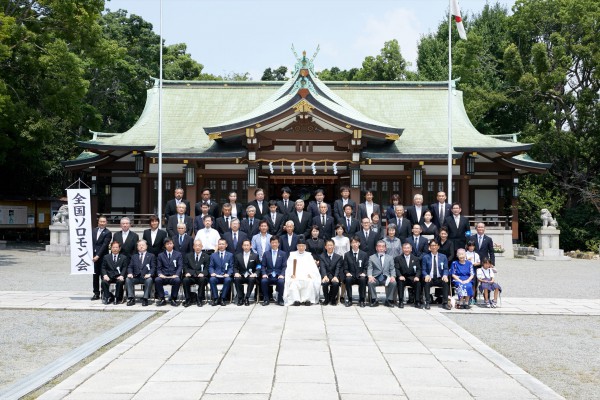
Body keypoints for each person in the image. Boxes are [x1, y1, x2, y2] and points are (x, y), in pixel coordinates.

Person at [284, 236, 321, 306]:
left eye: (302, 246)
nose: (301, 248)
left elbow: (313, 267)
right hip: (295, 275)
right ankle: (296, 299)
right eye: (299, 246)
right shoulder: (292, 255)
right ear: (297, 247)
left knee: (309, 281)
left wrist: (311, 274)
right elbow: (289, 266)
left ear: (305, 247)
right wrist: (292, 274)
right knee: (294, 282)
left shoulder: (308, 255)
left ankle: (307, 299)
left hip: (306, 275)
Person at [421, 239, 451, 310]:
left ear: (438, 247)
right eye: (432, 245)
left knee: (445, 282)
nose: (433, 247)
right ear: (429, 247)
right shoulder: (426, 257)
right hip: (430, 278)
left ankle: (445, 303)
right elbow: (423, 270)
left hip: (440, 277)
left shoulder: (443, 257)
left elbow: (446, 268)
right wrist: (426, 275)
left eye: (435, 245)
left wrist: (445, 275)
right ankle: (427, 302)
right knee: (426, 282)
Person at [367, 240, 397, 307]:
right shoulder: (372, 257)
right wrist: (370, 276)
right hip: (376, 278)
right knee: (370, 282)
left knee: (393, 283)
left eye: (383, 246)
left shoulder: (390, 258)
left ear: (385, 248)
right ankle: (374, 300)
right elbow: (370, 268)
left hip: (386, 278)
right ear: (376, 248)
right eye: (379, 246)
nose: (381, 248)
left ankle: (389, 300)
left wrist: (393, 276)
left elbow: (392, 269)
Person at [126, 239, 155, 306]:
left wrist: (149, 274)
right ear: (137, 247)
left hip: (145, 277)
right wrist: (130, 273)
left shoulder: (151, 256)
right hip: (136, 276)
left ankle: (145, 299)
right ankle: (131, 298)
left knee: (149, 280)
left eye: (143, 245)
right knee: (128, 279)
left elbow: (153, 267)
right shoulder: (134, 256)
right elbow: (130, 266)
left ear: (146, 246)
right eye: (139, 245)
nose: (141, 247)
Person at [155, 238, 183, 307]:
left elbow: (180, 266)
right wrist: (160, 274)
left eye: (170, 243)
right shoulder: (160, 255)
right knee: (157, 280)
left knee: (177, 280)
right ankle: (162, 299)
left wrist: (176, 274)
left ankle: (173, 299)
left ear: (173, 244)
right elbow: (158, 267)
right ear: (165, 245)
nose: (169, 245)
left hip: (173, 276)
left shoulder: (178, 254)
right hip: (164, 276)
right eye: (167, 244)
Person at [342, 236, 369, 307]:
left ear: (359, 243)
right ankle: (350, 299)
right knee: (347, 279)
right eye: (353, 243)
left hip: (360, 275)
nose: (354, 244)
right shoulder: (347, 255)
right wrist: (347, 272)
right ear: (350, 244)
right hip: (351, 275)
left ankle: (362, 300)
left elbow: (366, 266)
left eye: (356, 242)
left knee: (363, 279)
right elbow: (345, 267)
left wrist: (364, 273)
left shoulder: (364, 254)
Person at [182, 239, 210, 307]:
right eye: (196, 245)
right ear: (193, 247)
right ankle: (188, 299)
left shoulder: (206, 256)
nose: (197, 247)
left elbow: (207, 268)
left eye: (199, 245)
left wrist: (203, 273)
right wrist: (187, 272)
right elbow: (185, 266)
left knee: (202, 279)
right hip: (191, 276)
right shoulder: (188, 256)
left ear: (202, 247)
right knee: (185, 280)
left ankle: (200, 299)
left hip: (201, 276)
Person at [260, 236, 287, 306]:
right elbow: (263, 266)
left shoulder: (283, 254)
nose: (274, 244)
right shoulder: (266, 253)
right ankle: (266, 299)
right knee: (263, 281)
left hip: (279, 275)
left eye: (276, 243)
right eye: (272, 243)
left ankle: (280, 299)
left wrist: (282, 274)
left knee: (281, 282)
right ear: (270, 243)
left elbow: (284, 266)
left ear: (278, 244)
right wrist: (264, 273)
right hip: (269, 275)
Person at [394, 242, 422, 308]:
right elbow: (396, 269)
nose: (406, 250)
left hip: (412, 277)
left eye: (408, 248)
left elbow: (419, 269)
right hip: (403, 277)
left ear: (411, 249)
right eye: (405, 248)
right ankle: (401, 301)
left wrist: (417, 276)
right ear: (402, 249)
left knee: (418, 283)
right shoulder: (398, 258)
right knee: (400, 282)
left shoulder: (416, 259)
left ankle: (417, 301)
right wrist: (400, 276)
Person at [233, 239, 260, 306]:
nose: (246, 247)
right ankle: (240, 298)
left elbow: (259, 266)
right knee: (236, 279)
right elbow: (235, 267)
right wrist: (236, 272)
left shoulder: (255, 255)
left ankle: (247, 298)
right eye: (244, 245)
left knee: (252, 279)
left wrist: (255, 273)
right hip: (241, 275)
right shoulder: (238, 255)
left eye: (247, 245)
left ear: (250, 246)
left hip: (251, 276)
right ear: (242, 246)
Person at [208, 238, 234, 306]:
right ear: (218, 245)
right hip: (216, 276)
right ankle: (216, 298)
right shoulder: (213, 255)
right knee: (212, 279)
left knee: (228, 280)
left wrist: (228, 274)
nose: (221, 245)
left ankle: (223, 298)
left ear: (226, 245)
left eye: (223, 244)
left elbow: (231, 267)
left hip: (225, 276)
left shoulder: (230, 255)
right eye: (220, 244)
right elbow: (211, 266)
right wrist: (212, 272)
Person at [101, 241, 128, 305]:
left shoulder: (123, 257)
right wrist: (105, 275)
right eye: (113, 247)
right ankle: (108, 297)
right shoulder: (106, 257)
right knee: (104, 282)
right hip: (109, 276)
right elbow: (103, 267)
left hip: (118, 276)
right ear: (111, 248)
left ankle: (117, 297)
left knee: (120, 282)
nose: (115, 249)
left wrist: (122, 275)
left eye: (116, 247)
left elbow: (125, 268)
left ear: (119, 248)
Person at [91, 215, 112, 300]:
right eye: (101, 221)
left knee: (104, 276)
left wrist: (98, 255)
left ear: (106, 223)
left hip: (103, 257)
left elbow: (104, 245)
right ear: (98, 222)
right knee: (95, 276)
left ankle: (104, 292)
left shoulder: (108, 233)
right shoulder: (94, 230)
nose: (102, 223)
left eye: (104, 222)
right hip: (93, 257)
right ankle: (96, 293)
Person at [319, 239, 343, 306]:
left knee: (335, 283)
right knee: (325, 283)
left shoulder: (338, 257)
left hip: (334, 275)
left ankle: (332, 299)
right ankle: (326, 299)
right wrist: (324, 276)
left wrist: (335, 276)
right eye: (328, 245)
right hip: (326, 275)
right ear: (325, 247)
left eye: (331, 245)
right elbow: (322, 267)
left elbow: (338, 268)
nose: (330, 247)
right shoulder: (322, 256)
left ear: (334, 246)